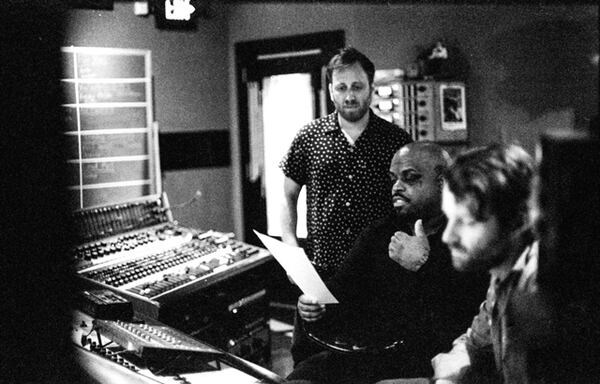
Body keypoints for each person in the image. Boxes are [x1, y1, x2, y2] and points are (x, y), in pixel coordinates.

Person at [286, 142, 488, 384]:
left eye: (410, 178)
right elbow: (340, 291)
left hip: (432, 361)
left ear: (443, 182)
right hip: (370, 355)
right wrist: (316, 305)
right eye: (393, 179)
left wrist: (424, 264)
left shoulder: (467, 235)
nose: (397, 187)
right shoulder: (379, 232)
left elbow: (467, 315)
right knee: (301, 378)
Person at [280, 47, 412, 364]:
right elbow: (287, 198)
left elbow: (413, 204)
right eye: (341, 88)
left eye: (357, 87)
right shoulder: (309, 137)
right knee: (310, 364)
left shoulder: (396, 140)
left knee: (372, 367)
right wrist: (291, 254)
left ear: (371, 87)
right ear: (330, 90)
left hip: (378, 279)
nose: (349, 96)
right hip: (321, 276)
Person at [431, 143, 559, 383]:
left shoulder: (541, 292)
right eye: (449, 218)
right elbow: (473, 345)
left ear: (519, 220)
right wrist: (455, 370)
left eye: (467, 221)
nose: (448, 237)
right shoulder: (502, 272)